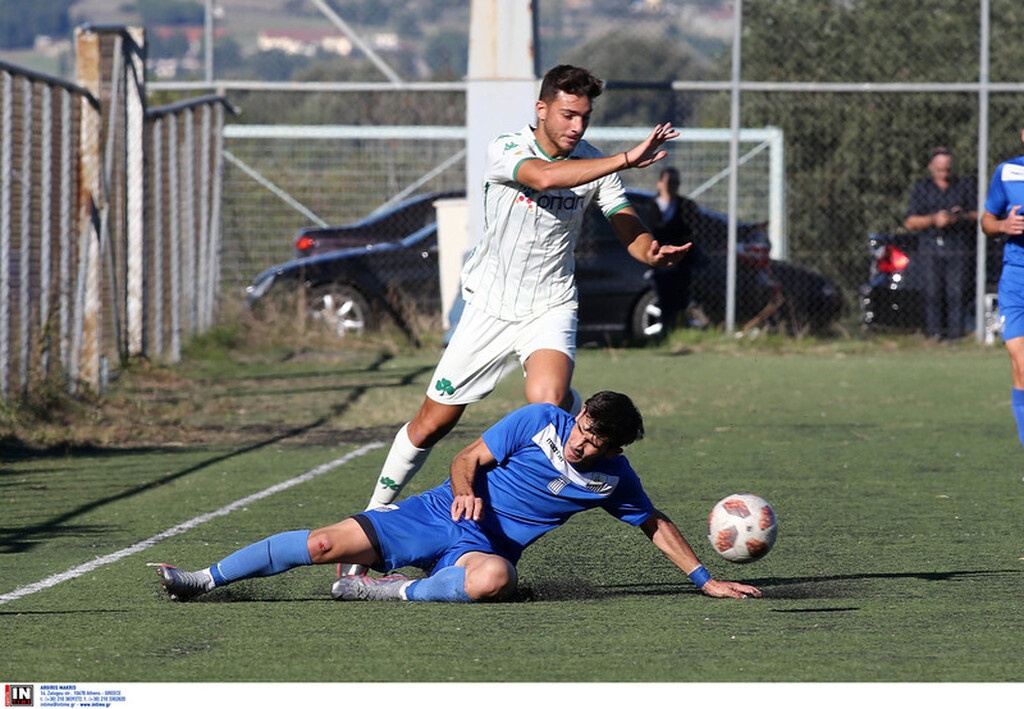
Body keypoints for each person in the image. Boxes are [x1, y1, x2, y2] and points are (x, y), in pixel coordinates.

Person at [345, 65, 691, 574]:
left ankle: (513, 501)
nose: (577, 127)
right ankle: (372, 520)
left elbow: (623, 220)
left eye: (585, 117)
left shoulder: (596, 164)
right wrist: (626, 157)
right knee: (432, 424)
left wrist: (649, 251)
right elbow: (546, 177)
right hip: (488, 306)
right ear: (542, 109)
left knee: (546, 404)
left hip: (550, 305)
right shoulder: (507, 149)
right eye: (568, 114)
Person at [156, 391, 762, 603]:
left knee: (495, 580)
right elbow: (466, 458)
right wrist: (467, 492)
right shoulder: (538, 420)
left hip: (479, 552)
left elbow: (652, 523)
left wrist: (704, 579)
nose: (580, 443)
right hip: (435, 514)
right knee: (320, 542)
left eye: (594, 440)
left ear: (615, 445)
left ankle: (393, 592)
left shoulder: (614, 480)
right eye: (581, 428)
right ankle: (202, 580)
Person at [904, 146, 978, 340]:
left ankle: (956, 335)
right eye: (940, 169)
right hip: (930, 245)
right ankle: (933, 335)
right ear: (931, 167)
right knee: (932, 292)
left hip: (958, 246)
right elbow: (910, 221)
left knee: (957, 292)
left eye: (947, 169)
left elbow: (981, 214)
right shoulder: (922, 188)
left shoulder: (964, 185)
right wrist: (933, 220)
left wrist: (960, 216)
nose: (944, 173)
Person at [980, 129, 1024, 449]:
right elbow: (986, 220)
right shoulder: (1007, 171)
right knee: (1021, 363)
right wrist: (1003, 226)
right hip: (1016, 280)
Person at [650, 166, 703, 332]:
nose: (672, 186)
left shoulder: (686, 207)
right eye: (669, 182)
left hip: (680, 261)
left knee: (680, 294)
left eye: (676, 182)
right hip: (656, 260)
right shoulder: (649, 207)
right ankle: (664, 326)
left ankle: (679, 325)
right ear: (660, 183)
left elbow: (692, 231)